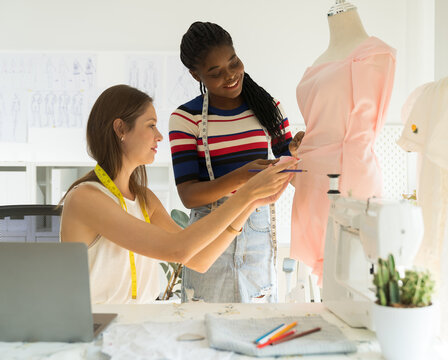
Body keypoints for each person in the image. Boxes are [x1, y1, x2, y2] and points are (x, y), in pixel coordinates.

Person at [60, 84, 297, 304]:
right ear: (121, 128)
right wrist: (245, 194)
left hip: (136, 330)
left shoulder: (144, 198)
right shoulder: (86, 198)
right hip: (96, 332)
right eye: (151, 125)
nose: (159, 136)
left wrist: (252, 201)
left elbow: (199, 260)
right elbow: (178, 249)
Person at [169, 21, 304, 303]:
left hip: (257, 226)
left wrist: (296, 149)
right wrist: (243, 178)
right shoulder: (185, 118)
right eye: (215, 73)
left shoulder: (269, 108)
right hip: (209, 230)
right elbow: (189, 195)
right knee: (203, 324)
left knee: (258, 321)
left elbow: (286, 161)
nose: (230, 76)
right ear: (196, 75)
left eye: (233, 62)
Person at [290, 2, 396, 284]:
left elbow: (360, 127)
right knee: (328, 282)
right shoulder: (322, 59)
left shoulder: (374, 55)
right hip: (311, 180)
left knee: (350, 272)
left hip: (347, 177)